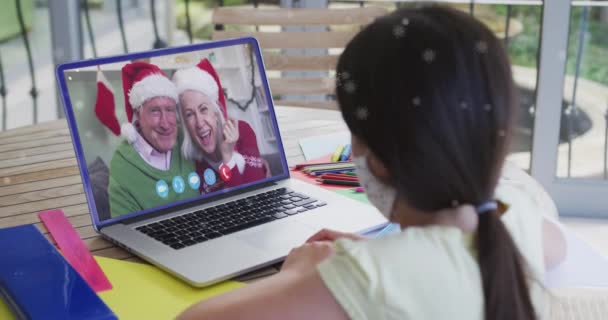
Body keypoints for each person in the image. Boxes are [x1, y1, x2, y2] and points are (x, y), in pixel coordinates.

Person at [177, 6, 566, 320]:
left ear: (377, 161)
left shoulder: (364, 280)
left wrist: (301, 275)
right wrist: (390, 252)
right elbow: (554, 247)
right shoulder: (516, 218)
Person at [108, 62, 199, 217]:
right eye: (155, 111)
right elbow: (125, 231)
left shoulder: (186, 137)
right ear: (138, 114)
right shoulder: (122, 164)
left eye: (169, 110)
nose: (165, 123)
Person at [172, 58, 269, 194]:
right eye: (189, 114)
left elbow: (252, 198)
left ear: (216, 112)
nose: (199, 123)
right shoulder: (192, 164)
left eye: (203, 109)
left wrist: (228, 157)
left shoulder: (242, 131)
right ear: (185, 124)